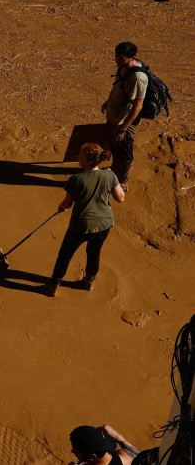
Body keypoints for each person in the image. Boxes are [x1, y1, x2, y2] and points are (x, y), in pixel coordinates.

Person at [48, 143, 125, 296]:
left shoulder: (76, 179)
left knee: (65, 255)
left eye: (80, 156)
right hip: (104, 224)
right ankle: (88, 282)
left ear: (89, 162)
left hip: (81, 225)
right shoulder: (109, 174)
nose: (77, 157)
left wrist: (61, 207)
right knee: (94, 252)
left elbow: (67, 203)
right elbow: (120, 198)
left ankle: (52, 287)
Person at [101, 41, 146, 188]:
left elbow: (137, 107)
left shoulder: (138, 78)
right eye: (116, 57)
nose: (118, 61)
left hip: (124, 123)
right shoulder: (122, 69)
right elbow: (119, 86)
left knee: (125, 157)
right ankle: (113, 172)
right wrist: (108, 102)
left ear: (132, 58)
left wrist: (124, 129)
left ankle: (121, 184)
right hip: (115, 118)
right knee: (115, 149)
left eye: (122, 59)